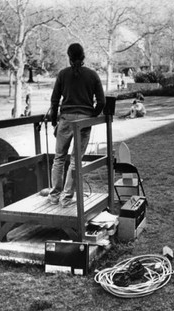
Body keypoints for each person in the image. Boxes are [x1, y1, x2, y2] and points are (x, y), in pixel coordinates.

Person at [48, 43, 106, 207]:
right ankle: (66, 198)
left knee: (59, 158)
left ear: (69, 57)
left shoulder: (62, 74)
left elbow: (54, 101)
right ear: (83, 57)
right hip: (84, 121)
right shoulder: (92, 75)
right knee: (75, 160)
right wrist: (92, 116)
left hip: (65, 119)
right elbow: (102, 102)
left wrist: (54, 122)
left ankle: (54, 196)